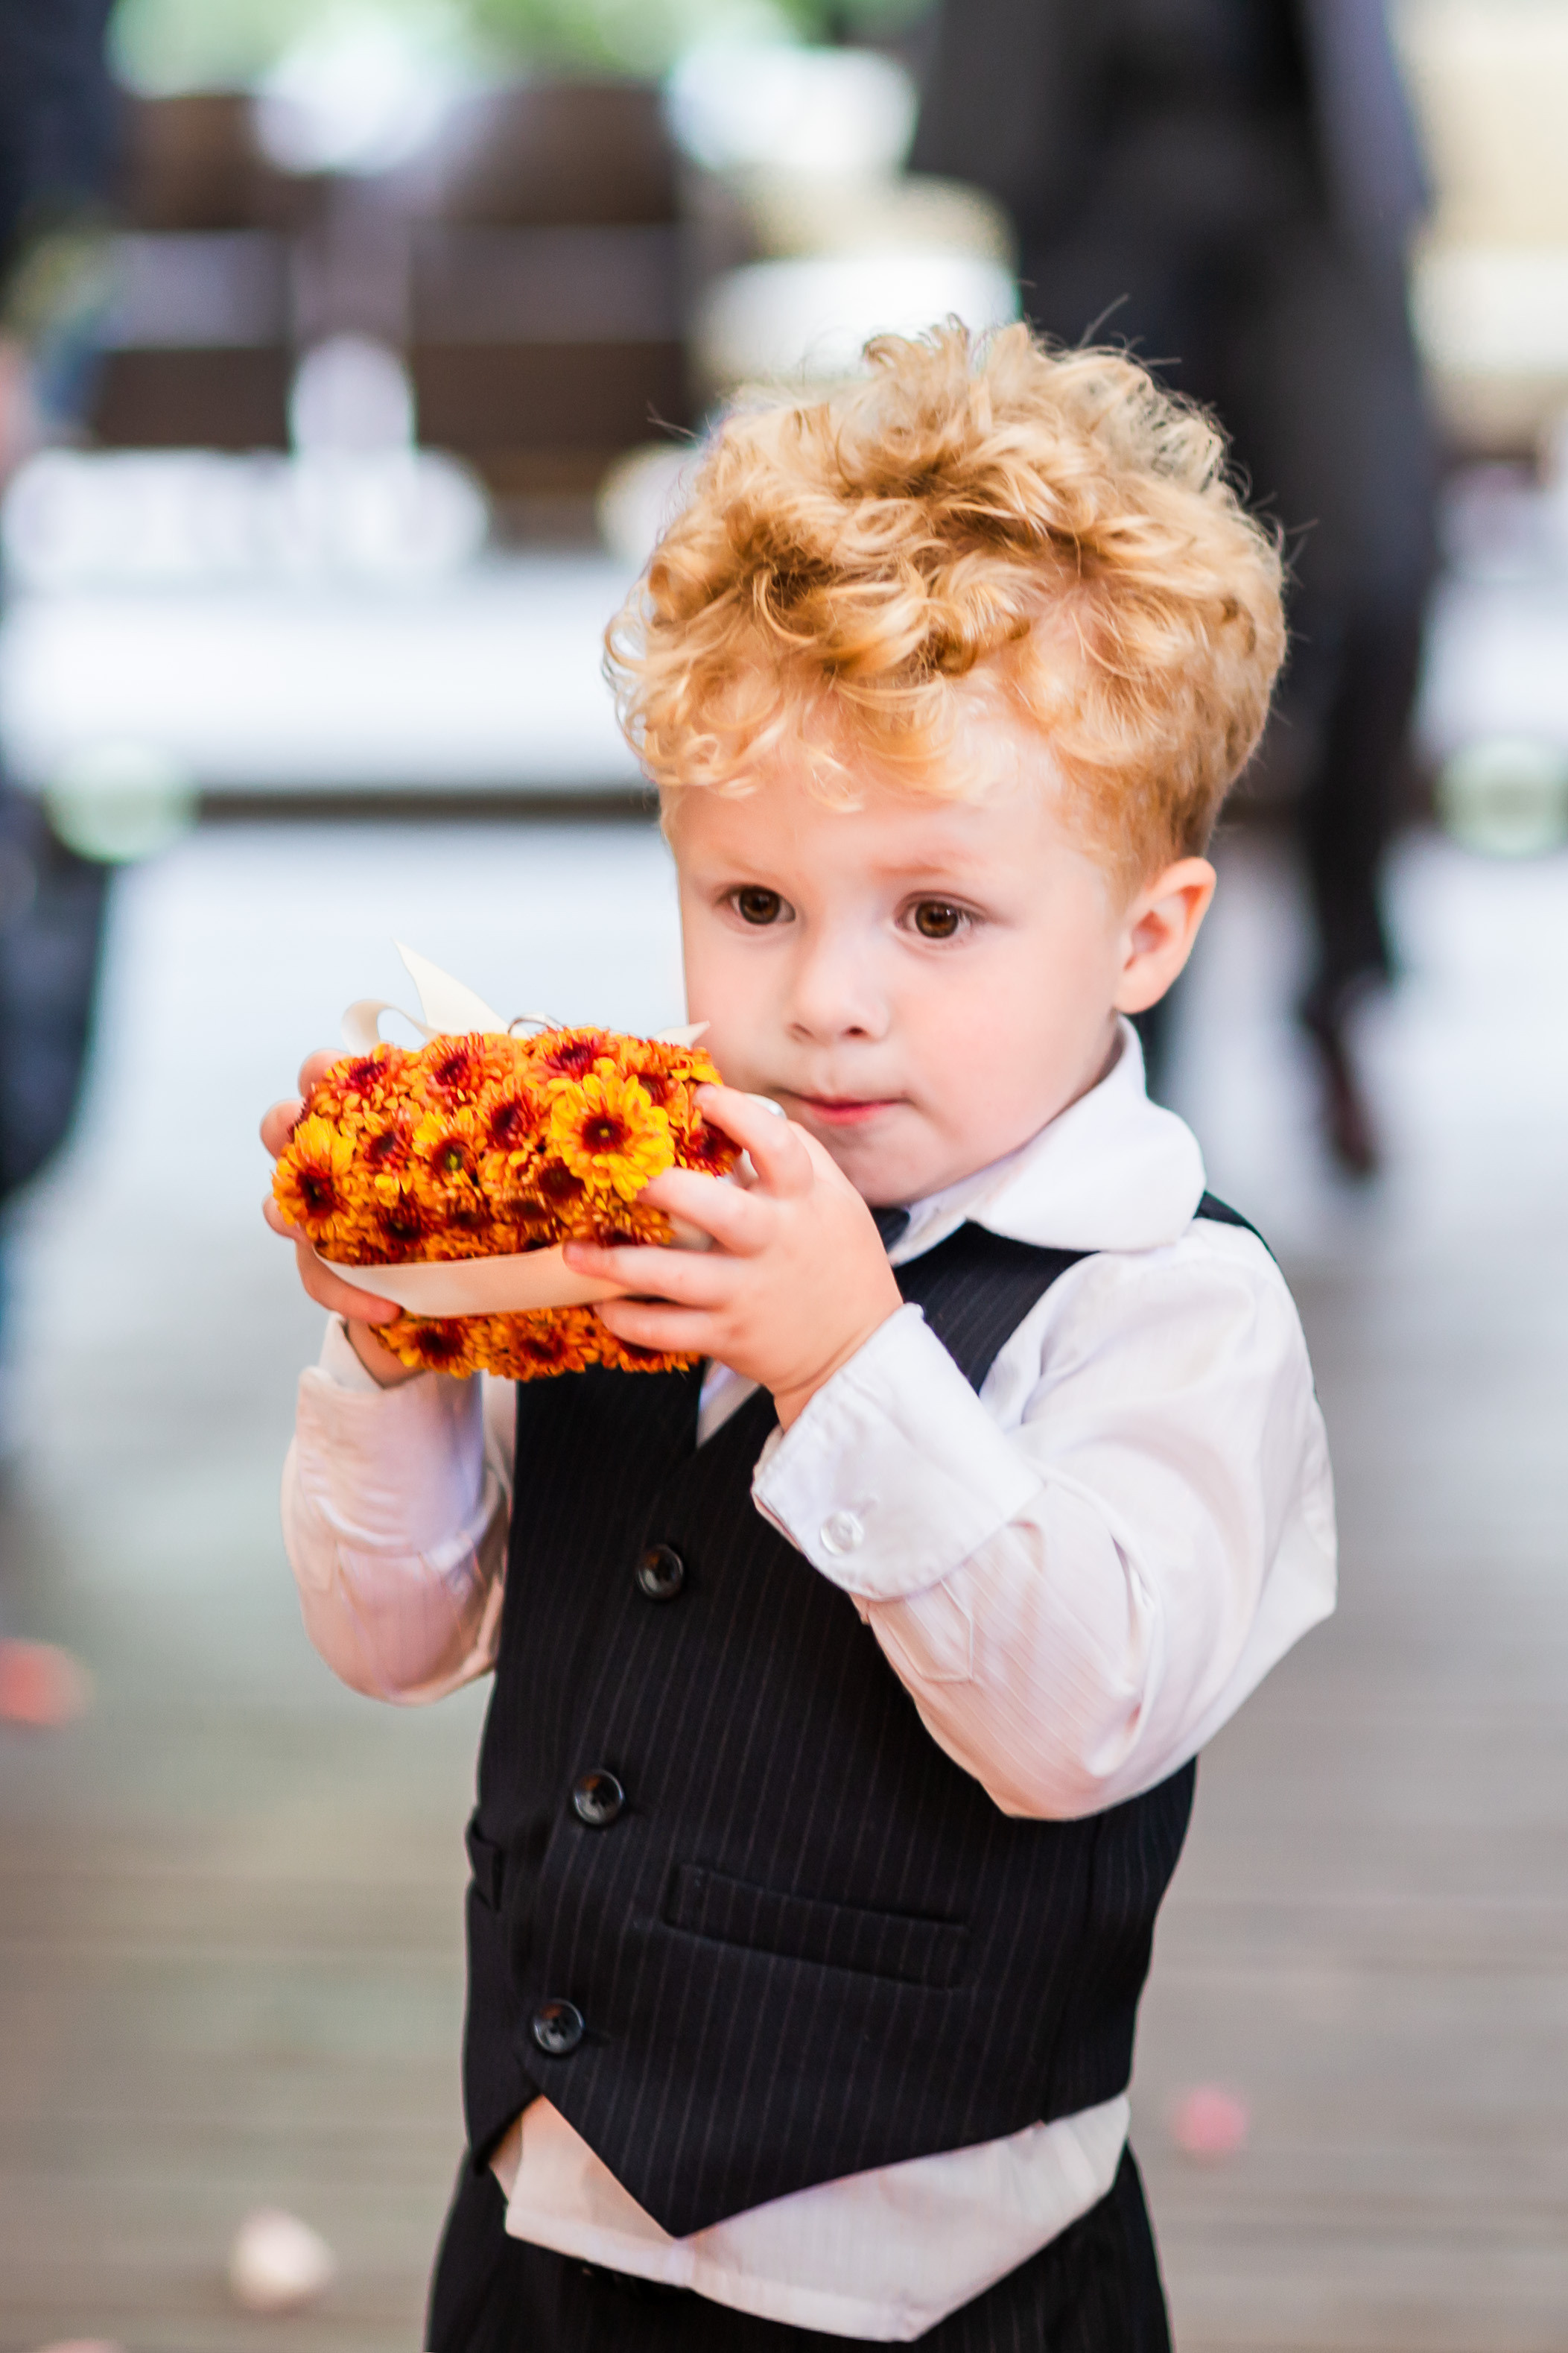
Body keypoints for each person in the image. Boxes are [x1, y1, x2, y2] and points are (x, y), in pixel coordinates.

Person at [263, 325, 1336, 2351]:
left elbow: (1076, 1720)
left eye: (934, 917)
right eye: (752, 899)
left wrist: (849, 1354)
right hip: (545, 2216)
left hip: (945, 2279)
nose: (826, 999)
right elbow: (392, 1634)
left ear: (1144, 932)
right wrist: (399, 1347)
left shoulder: (1170, 1299)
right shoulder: (622, 1196)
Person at [912, 0, 1438, 1171]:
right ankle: (1126, 1036)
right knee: (1089, 594)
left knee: (1372, 563)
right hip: (1096, 146)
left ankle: (1340, 985)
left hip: (1304, 147)